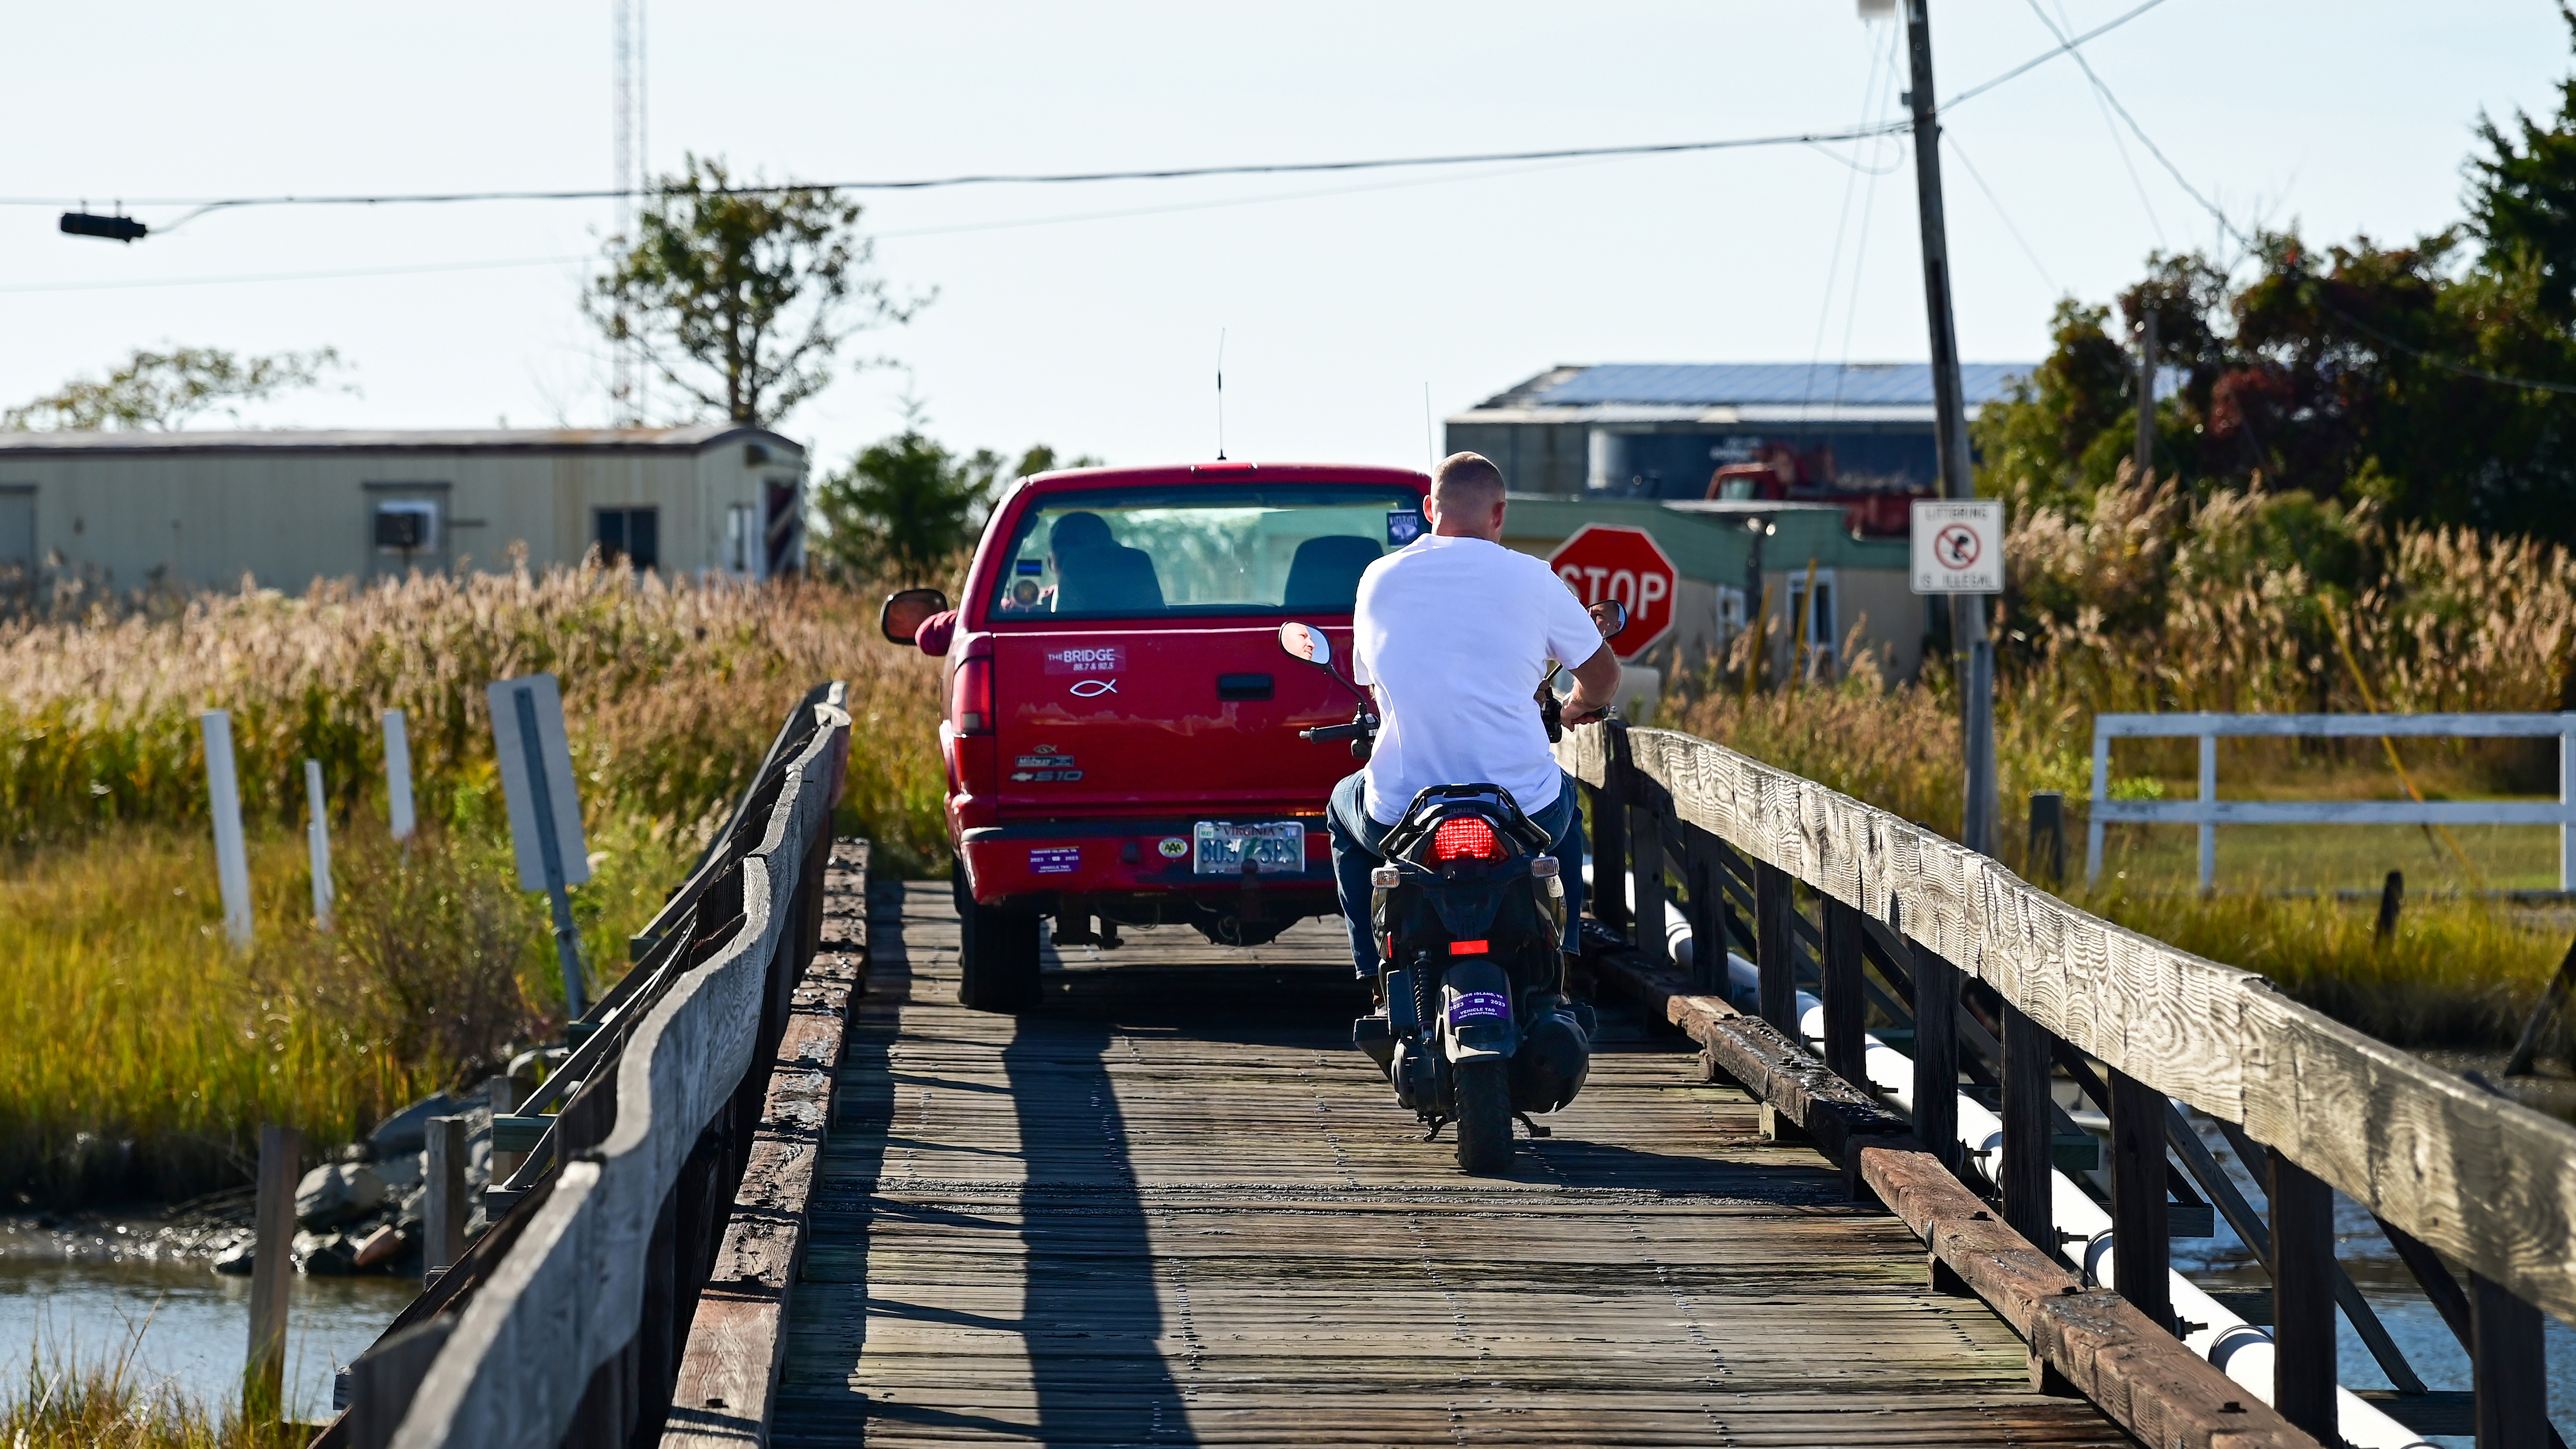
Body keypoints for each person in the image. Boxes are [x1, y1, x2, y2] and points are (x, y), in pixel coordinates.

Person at [1328, 451, 1622, 982]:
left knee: (1340, 807)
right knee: (1565, 803)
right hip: (1519, 807)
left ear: (1428, 508)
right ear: (1500, 513)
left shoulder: (1376, 578)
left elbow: (1374, 686)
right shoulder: (1535, 578)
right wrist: (1577, 705)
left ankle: (1373, 972)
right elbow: (1604, 676)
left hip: (1403, 810)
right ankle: (1568, 956)